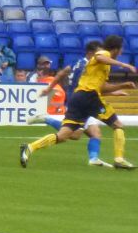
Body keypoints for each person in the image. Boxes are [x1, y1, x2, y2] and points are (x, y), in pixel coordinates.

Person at [21, 35, 136, 170]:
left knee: (65, 134)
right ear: (115, 49)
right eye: (121, 50)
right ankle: (119, 159)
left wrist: (122, 86)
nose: (121, 53)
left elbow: (102, 87)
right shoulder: (104, 54)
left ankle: (30, 147)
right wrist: (124, 64)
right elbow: (99, 57)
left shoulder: (103, 66)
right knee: (117, 125)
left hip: (78, 98)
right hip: (89, 97)